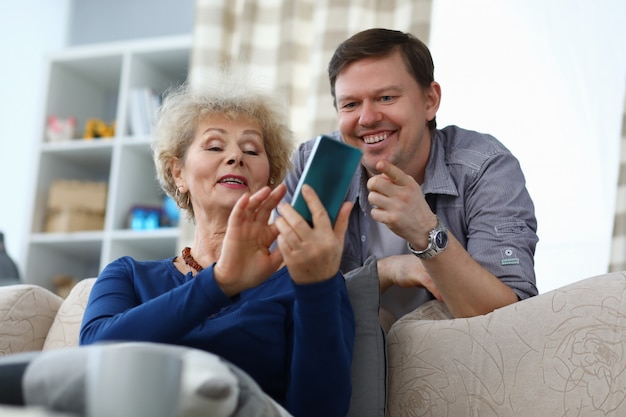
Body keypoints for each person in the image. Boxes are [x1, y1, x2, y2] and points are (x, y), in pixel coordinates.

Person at [79, 74, 355, 417]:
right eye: (214, 146)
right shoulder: (129, 275)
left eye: (252, 150)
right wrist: (219, 282)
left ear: (269, 179)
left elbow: (320, 412)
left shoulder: (307, 279)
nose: (236, 157)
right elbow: (91, 357)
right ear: (177, 172)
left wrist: (318, 288)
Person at [282, 28, 539, 321]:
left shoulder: (485, 167)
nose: (367, 118)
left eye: (386, 97)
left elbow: (510, 319)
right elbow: (275, 298)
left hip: (456, 355)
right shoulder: (314, 164)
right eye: (351, 104)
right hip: (346, 354)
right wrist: (387, 271)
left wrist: (426, 231)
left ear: (429, 100)